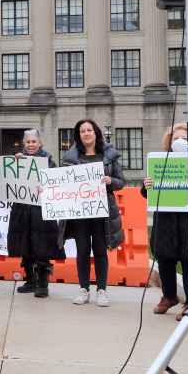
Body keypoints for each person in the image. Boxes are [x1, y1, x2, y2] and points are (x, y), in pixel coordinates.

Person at [141, 123, 188, 320]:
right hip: (167, 221)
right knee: (165, 258)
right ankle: (169, 296)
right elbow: (148, 194)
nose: (180, 142)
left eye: (185, 138)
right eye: (176, 139)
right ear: (169, 142)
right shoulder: (160, 162)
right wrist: (146, 186)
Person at [60, 119, 125, 307]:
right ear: (78, 136)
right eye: (82, 131)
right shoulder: (70, 158)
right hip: (80, 213)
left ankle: (102, 290)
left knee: (100, 251)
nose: (86, 133)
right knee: (82, 251)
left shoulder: (109, 156)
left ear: (96, 133)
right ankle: (84, 289)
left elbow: (121, 182)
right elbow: (61, 183)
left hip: (102, 213)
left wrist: (110, 180)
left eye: (89, 130)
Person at [7, 129, 65, 298]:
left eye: (34, 141)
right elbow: (7, 180)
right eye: (28, 142)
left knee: (42, 246)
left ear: (40, 143)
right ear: (24, 144)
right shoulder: (17, 159)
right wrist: (14, 164)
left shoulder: (49, 161)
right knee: (25, 244)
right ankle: (31, 280)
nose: (31, 144)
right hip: (22, 209)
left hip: (41, 210)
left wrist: (45, 187)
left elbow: (55, 183)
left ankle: (43, 284)